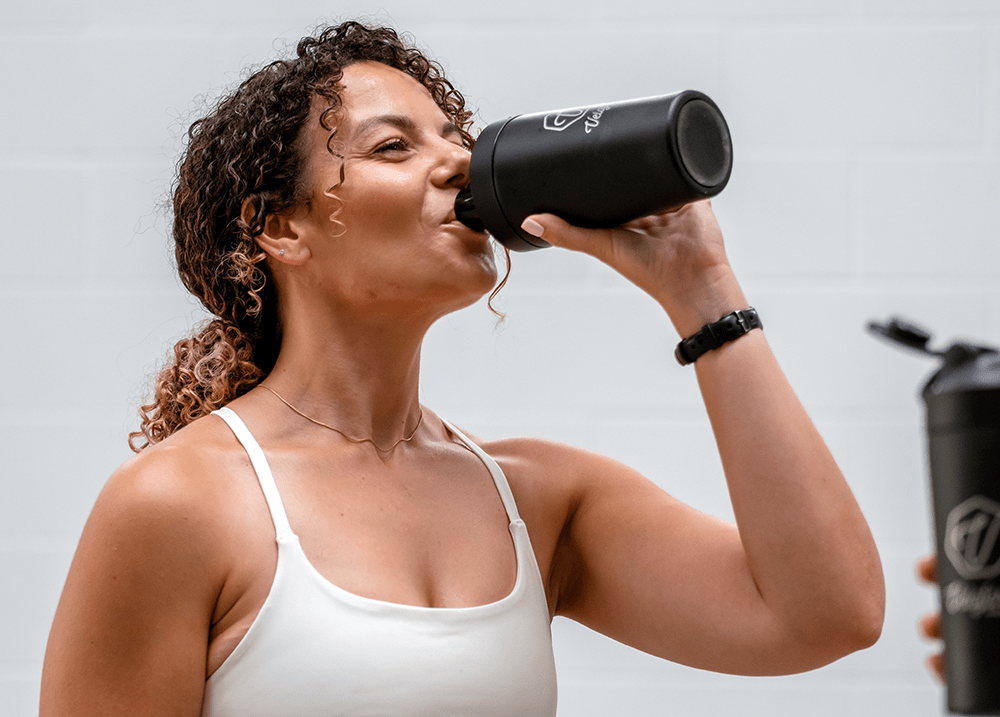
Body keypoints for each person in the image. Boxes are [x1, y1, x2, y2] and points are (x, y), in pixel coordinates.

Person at [39, 20, 885, 717]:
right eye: (393, 147)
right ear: (280, 229)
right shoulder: (179, 504)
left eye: (454, 138)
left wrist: (704, 290)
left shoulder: (535, 498)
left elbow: (827, 615)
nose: (456, 162)